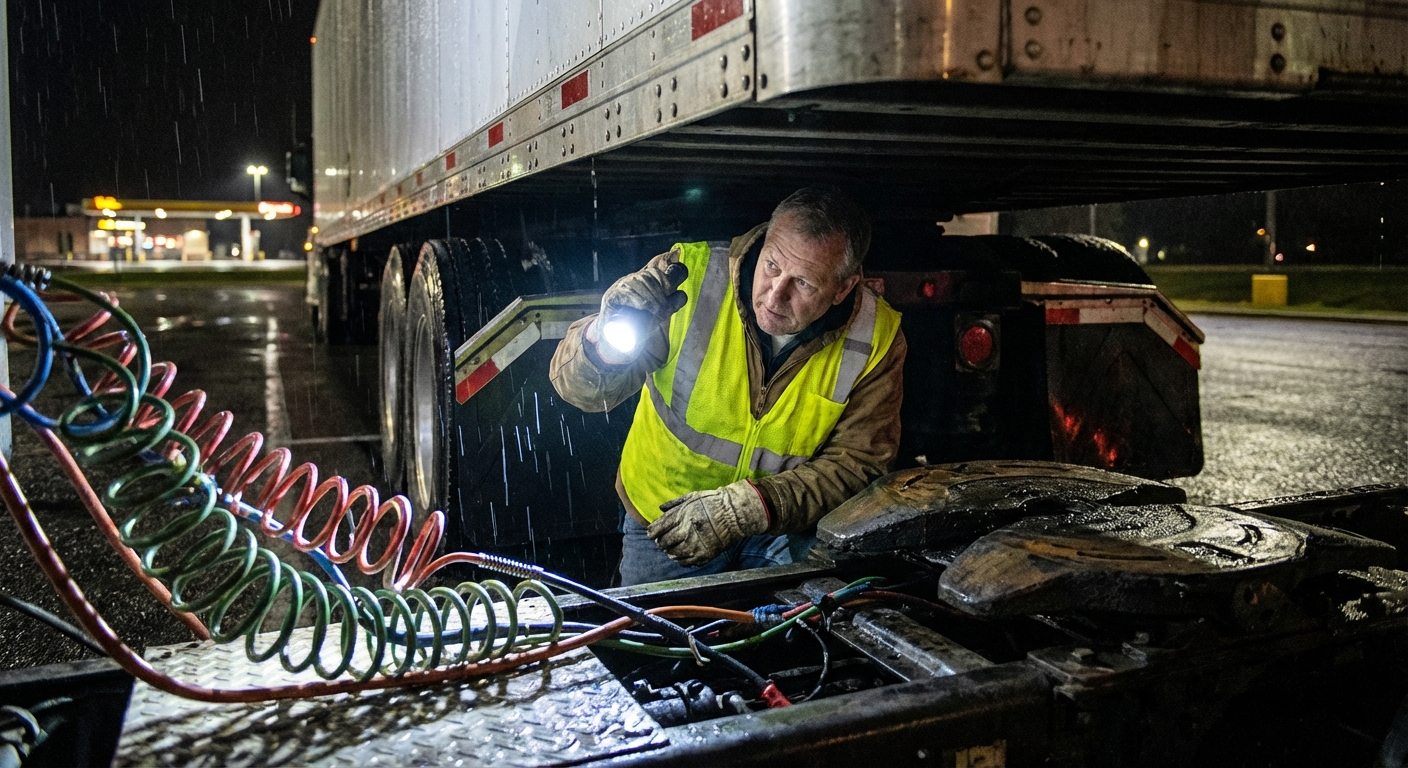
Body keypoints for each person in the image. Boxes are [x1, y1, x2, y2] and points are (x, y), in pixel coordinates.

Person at [549, 187, 906, 586]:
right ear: (765, 242)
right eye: (771, 266)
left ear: (844, 287)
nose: (775, 295)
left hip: (777, 530)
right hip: (666, 524)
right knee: (652, 642)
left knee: (794, 640)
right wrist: (602, 338)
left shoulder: (876, 336)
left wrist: (753, 507)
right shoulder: (688, 279)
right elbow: (581, 392)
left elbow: (858, 465)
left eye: (803, 283)